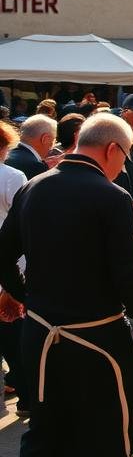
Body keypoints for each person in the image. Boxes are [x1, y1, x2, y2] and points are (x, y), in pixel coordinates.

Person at [0, 115, 133, 457]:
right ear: (111, 149)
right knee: (118, 432)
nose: (124, 165)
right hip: (97, 338)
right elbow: (129, 273)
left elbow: (2, 253)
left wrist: (20, 294)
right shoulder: (111, 195)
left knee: (47, 431)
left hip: (41, 333)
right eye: (125, 155)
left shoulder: (33, 186)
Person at [0, 121, 30, 416]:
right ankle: (25, 393)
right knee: (13, 333)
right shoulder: (12, 175)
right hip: (8, 263)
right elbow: (21, 221)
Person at [5, 115, 54, 180]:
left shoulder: (5, 153)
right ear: (45, 139)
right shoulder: (37, 167)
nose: (53, 145)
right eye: (53, 139)